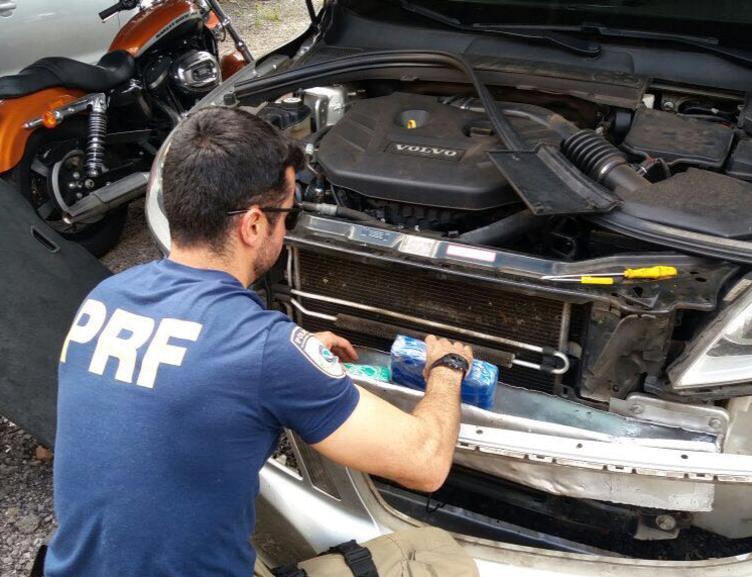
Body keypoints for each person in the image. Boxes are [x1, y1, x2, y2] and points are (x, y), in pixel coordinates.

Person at [43, 107, 473, 577]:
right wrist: (447, 368)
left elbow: (198, 371)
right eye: (287, 214)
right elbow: (426, 462)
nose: (287, 229)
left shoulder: (107, 296)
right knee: (435, 554)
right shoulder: (266, 351)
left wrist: (295, 353)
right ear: (252, 225)